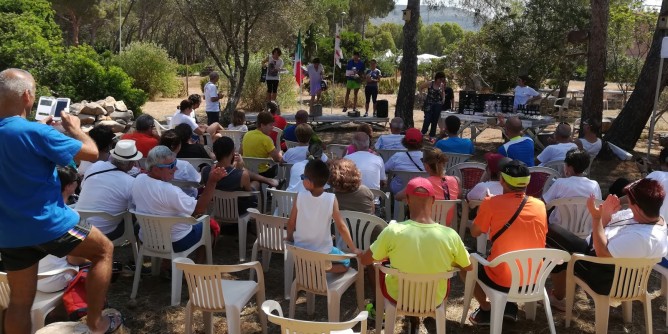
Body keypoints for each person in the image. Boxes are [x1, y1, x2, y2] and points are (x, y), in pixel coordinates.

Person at [0, 68, 118, 334]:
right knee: (104, 251)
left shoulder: (32, 132)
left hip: (9, 232)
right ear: (28, 97)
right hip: (51, 225)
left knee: (20, 301)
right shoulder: (35, 133)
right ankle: (95, 322)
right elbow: (91, 153)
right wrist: (75, 129)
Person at [361, 177, 472, 331]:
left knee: (378, 267)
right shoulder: (450, 235)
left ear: (407, 199)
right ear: (433, 200)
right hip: (434, 299)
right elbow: (468, 266)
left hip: (398, 297)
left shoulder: (393, 231)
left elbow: (366, 260)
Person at [545, 179, 668, 311]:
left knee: (554, 240)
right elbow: (604, 230)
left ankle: (557, 298)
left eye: (629, 199)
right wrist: (607, 212)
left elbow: (602, 253)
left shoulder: (641, 238)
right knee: (557, 239)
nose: (625, 200)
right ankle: (558, 293)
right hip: (610, 266)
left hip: (605, 277)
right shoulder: (648, 218)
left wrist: (596, 218)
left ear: (637, 206)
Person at [467, 159, 548, 325]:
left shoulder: (491, 203)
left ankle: (485, 309)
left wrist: (489, 206)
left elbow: (474, 232)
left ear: (502, 180)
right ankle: (509, 307)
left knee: (465, 262)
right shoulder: (540, 205)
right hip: (534, 279)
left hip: (502, 280)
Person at [131, 146, 226, 264]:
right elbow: (199, 209)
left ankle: (166, 265)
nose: (175, 168)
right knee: (211, 225)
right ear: (155, 169)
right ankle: (197, 269)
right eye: (170, 166)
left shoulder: (138, 180)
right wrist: (212, 181)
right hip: (176, 241)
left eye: (175, 163)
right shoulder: (169, 191)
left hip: (148, 238)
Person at [286, 159, 361, 274]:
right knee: (346, 262)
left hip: (300, 250)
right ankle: (319, 268)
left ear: (308, 182)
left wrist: (290, 237)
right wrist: (353, 248)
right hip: (323, 251)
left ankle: (311, 265)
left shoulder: (299, 196)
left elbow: (291, 222)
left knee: (315, 257)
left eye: (302, 177)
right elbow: (341, 226)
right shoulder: (331, 199)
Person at [76, 140, 141, 240]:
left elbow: (82, 187)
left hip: (79, 228)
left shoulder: (95, 166)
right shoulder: (131, 183)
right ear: (131, 164)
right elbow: (136, 208)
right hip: (104, 233)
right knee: (138, 221)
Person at [38, 167, 88, 294]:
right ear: (69, 187)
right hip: (56, 280)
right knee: (100, 262)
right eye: (76, 179)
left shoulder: (35, 212)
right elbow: (74, 259)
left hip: (30, 280)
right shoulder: (71, 216)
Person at [396, 147, 460, 226]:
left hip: (425, 225)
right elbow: (459, 196)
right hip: (447, 226)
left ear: (426, 166)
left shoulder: (421, 184)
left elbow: (398, 197)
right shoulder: (456, 180)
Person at [542, 148, 602, 225]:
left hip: (559, 230)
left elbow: (544, 204)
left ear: (569, 167)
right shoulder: (594, 185)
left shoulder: (559, 183)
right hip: (586, 229)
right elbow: (598, 206)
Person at [202, 137, 258, 216]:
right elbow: (249, 193)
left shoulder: (205, 170)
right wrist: (241, 167)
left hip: (215, 209)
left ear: (214, 152)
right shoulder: (242, 175)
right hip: (238, 212)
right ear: (232, 152)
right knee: (256, 183)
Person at [159, 130, 202, 198]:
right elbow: (198, 181)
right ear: (178, 146)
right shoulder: (185, 166)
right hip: (186, 199)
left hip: (163, 197)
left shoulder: (153, 166)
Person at [241, 111, 283, 178]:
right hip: (263, 173)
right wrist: (280, 153)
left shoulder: (246, 134)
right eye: (270, 125)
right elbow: (278, 159)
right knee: (277, 166)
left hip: (248, 171)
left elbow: (241, 152)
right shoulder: (266, 139)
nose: (272, 127)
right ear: (262, 125)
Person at [385, 128, 425, 194]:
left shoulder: (397, 156)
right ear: (421, 142)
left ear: (404, 141)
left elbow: (385, 169)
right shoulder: (427, 158)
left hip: (399, 190)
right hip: (421, 190)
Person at [419, 72, 446, 141]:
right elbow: (420, 87)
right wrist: (421, 95)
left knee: (435, 120)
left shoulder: (442, 85)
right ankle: (422, 133)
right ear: (436, 78)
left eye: (442, 80)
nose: (441, 81)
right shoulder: (430, 83)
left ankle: (432, 135)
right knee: (427, 119)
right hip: (429, 104)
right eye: (440, 80)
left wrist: (443, 99)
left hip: (438, 104)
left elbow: (443, 92)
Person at [645, 148, 668, 222]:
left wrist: (643, 171)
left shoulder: (656, 175)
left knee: (621, 183)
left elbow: (638, 193)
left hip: (657, 226)